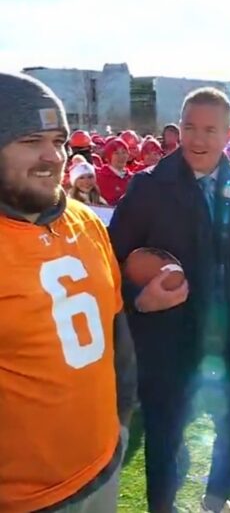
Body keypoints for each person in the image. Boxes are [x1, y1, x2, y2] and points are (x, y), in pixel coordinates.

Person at [108, 87, 230, 513]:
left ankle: (212, 503)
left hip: (228, 342)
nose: (198, 138)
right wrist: (140, 297)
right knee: (165, 440)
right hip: (165, 341)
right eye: (190, 126)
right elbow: (108, 263)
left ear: (228, 134)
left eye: (210, 130)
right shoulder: (149, 187)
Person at [0, 71, 135, 512]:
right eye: (30, 140)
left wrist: (121, 424)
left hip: (103, 465)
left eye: (58, 140)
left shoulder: (87, 221)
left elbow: (116, 332)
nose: (52, 156)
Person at [95, 137, 132, 205]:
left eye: (124, 152)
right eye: (116, 153)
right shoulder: (100, 177)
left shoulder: (133, 178)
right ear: (108, 157)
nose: (121, 156)